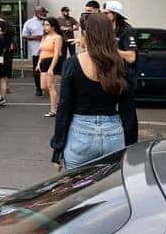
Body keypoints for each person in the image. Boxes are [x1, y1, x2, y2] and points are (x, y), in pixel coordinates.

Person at [51, 12, 137, 170]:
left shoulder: (73, 63)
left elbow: (64, 107)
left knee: (76, 189)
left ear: (85, 34)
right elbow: (128, 110)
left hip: (80, 133)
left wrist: (58, 147)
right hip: (114, 133)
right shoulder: (121, 64)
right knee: (110, 189)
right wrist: (131, 145)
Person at [38, 17, 65, 118]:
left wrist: (51, 68)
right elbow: (42, 51)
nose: (45, 27)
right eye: (44, 25)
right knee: (43, 86)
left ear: (53, 27)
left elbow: (57, 54)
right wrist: (38, 63)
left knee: (51, 86)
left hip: (53, 62)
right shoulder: (45, 37)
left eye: (47, 25)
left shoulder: (57, 37)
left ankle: (54, 110)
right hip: (44, 62)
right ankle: (57, 102)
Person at [22, 6, 48, 96]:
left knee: (48, 70)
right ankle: (38, 88)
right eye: (43, 12)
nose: (45, 14)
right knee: (37, 71)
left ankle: (47, 87)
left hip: (48, 50)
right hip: (37, 51)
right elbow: (24, 35)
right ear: (36, 12)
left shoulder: (47, 22)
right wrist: (35, 37)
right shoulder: (29, 23)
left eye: (45, 12)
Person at [103, 1, 137, 66]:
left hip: (122, 72)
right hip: (108, 71)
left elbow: (131, 57)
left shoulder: (127, 30)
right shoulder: (104, 28)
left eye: (106, 13)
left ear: (115, 14)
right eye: (103, 13)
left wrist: (110, 50)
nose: (103, 16)